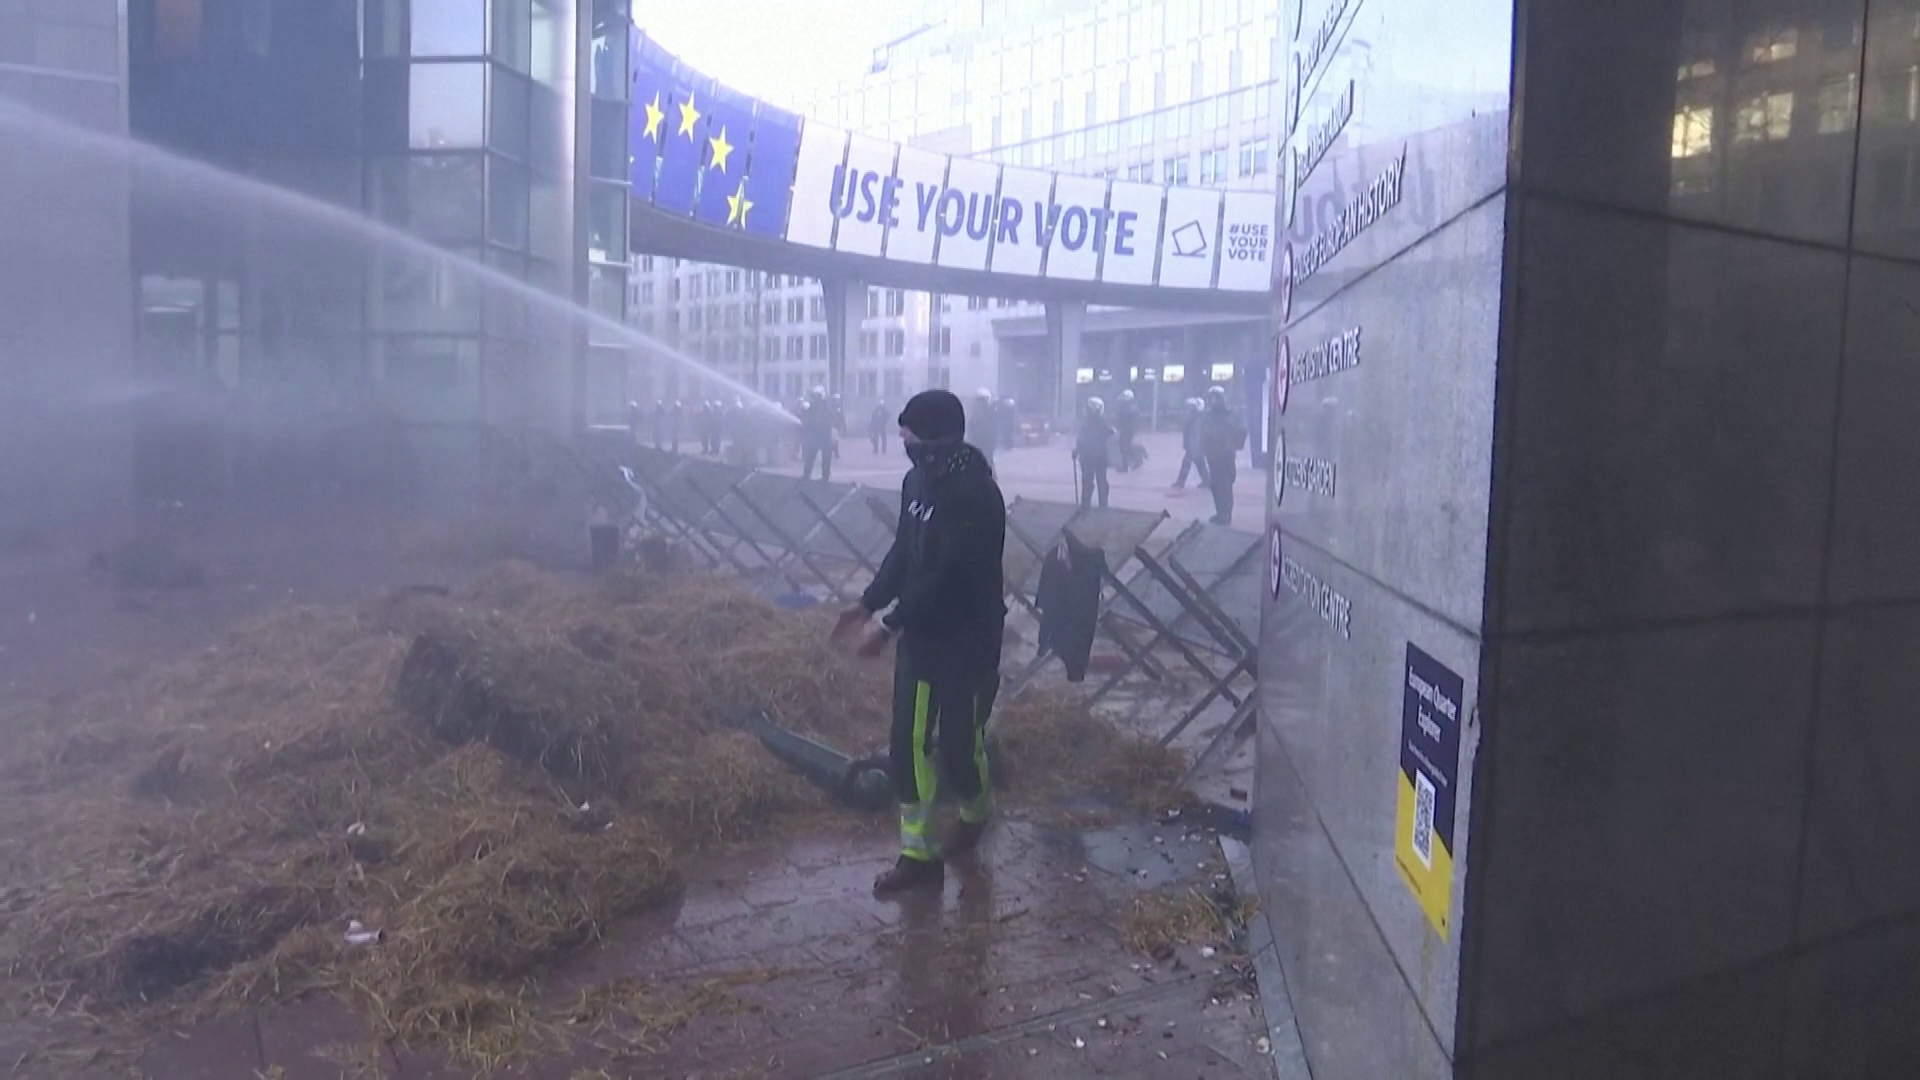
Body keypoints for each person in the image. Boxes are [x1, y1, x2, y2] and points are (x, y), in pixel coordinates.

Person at [835, 389, 1007, 896]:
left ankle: (976, 811)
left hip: (967, 638)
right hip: (923, 638)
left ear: (934, 436)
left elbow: (945, 576)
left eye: (909, 432)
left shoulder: (975, 493)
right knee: (906, 746)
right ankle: (918, 855)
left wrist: (888, 626)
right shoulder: (918, 482)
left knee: (957, 746)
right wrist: (867, 603)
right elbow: (906, 552)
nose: (902, 439)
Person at [1199, 386, 1247, 525]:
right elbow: (1203, 432)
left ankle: (1226, 514)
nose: (1211, 401)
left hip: (1225, 455)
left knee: (1225, 485)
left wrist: (1233, 444)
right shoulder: (1208, 416)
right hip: (1213, 455)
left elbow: (1241, 431)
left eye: (1214, 398)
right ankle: (1220, 512)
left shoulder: (1230, 415)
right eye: (1210, 398)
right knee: (1215, 485)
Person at [1073, 397, 1113, 509]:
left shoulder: (1086, 423)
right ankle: (1103, 505)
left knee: (1087, 482)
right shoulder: (1103, 422)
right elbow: (1108, 434)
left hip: (1088, 457)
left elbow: (1082, 439)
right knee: (1101, 481)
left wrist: (1077, 451)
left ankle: (1085, 505)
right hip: (1101, 457)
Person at [1172, 397, 1210, 491]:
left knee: (1187, 463)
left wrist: (1192, 445)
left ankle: (1181, 482)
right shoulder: (1195, 417)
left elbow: (1195, 432)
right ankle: (1207, 481)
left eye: (1191, 407)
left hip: (1195, 444)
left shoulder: (1197, 418)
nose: (1189, 409)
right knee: (1200, 462)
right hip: (1194, 444)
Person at [800, 387, 836, 480]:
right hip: (821, 435)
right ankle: (817, 475)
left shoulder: (821, 405)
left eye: (816, 395)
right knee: (815, 456)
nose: (815, 397)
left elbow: (815, 420)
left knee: (819, 456)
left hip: (822, 435)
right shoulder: (821, 405)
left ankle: (820, 476)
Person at [1113, 390, 1140, 473]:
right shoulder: (1130, 406)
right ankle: (1136, 461)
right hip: (1128, 429)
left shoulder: (1129, 407)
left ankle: (1126, 467)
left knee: (1124, 447)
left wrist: (1118, 427)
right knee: (1126, 447)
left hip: (1127, 430)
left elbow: (1123, 419)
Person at [973, 389, 997, 468]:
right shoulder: (974, 413)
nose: (981, 403)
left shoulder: (991, 412)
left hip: (986, 442)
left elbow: (992, 429)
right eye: (980, 400)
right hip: (978, 442)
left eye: (983, 400)